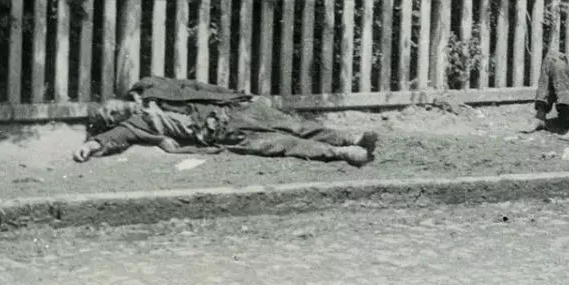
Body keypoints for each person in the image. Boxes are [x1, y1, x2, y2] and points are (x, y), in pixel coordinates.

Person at [73, 76, 378, 166]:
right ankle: (342, 154)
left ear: (113, 99)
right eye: (109, 118)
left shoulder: (149, 85)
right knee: (282, 144)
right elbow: (113, 139)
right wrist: (92, 145)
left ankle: (349, 138)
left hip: (235, 108)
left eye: (109, 107)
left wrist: (239, 95)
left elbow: (195, 87)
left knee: (296, 125)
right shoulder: (135, 125)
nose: (113, 112)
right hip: (223, 133)